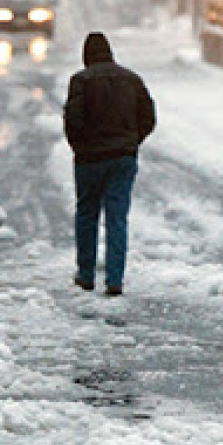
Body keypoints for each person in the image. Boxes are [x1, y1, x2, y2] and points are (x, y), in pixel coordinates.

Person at [63, 32, 156, 296]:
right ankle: (115, 279)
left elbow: (73, 120)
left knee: (87, 216)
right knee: (117, 218)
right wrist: (131, 142)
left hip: (89, 160)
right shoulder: (132, 79)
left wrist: (80, 147)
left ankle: (86, 275)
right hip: (122, 159)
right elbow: (148, 117)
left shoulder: (80, 80)